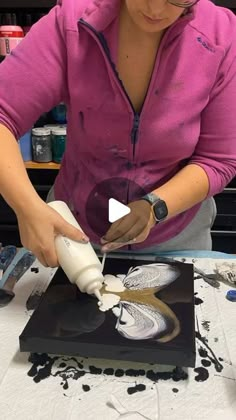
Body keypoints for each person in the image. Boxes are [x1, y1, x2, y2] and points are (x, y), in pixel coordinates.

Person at [0, 0, 236, 268]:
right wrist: (26, 207)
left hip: (176, 239)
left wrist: (155, 206)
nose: (156, 10)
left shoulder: (221, 37)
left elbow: (218, 160)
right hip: (71, 234)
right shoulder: (73, 24)